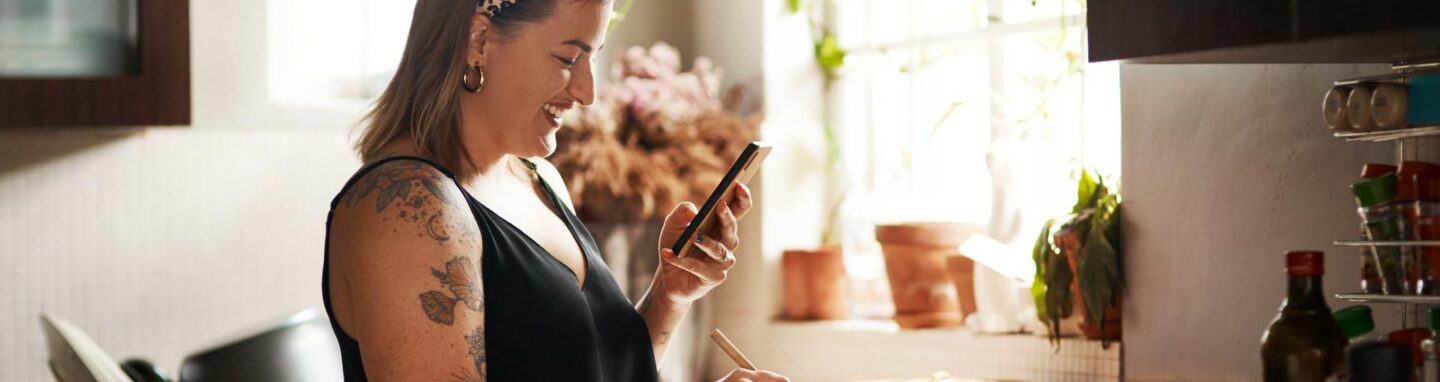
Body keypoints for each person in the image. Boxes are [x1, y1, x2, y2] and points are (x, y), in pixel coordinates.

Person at [320, 0, 789, 381]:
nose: (587, 92)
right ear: (478, 40)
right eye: (568, 59)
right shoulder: (407, 209)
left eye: (594, 58)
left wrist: (670, 295)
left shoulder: (538, 178)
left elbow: (589, 368)